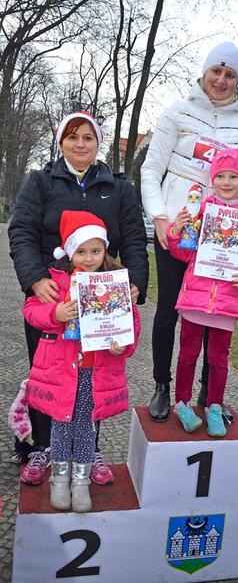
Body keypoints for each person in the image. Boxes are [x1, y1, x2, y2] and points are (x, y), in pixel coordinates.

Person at [8, 111, 148, 485]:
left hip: (103, 295)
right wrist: (35, 280)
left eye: (88, 137)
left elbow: (134, 237)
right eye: (73, 137)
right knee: (48, 371)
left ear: (98, 142)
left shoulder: (118, 187)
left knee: (96, 372)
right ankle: (41, 446)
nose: (80, 144)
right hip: (53, 292)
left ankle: (90, 447)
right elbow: (21, 231)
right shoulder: (41, 181)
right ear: (61, 142)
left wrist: (133, 282)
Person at [141, 41, 238, 423]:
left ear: (237, 81)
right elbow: (151, 171)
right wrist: (160, 219)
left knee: (214, 310)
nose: (221, 80)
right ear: (204, 72)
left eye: (230, 75)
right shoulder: (177, 112)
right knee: (169, 308)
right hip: (178, 229)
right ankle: (163, 386)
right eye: (216, 71)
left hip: (223, 233)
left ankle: (207, 392)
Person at [22, 211, 140, 511]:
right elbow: (31, 311)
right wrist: (56, 315)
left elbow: (131, 324)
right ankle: (59, 480)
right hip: (62, 371)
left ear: (105, 251)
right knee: (61, 425)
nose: (89, 258)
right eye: (82, 251)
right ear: (70, 251)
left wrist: (121, 346)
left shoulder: (115, 283)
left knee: (87, 426)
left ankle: (81, 480)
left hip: (93, 371)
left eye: (96, 251)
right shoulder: (56, 281)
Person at [167, 149, 238, 436]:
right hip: (196, 297)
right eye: (220, 176)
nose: (226, 181)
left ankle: (214, 405)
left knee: (218, 359)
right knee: (187, 355)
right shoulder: (200, 211)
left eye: (233, 176)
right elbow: (184, 254)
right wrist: (176, 231)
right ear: (212, 179)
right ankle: (182, 404)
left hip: (226, 300)